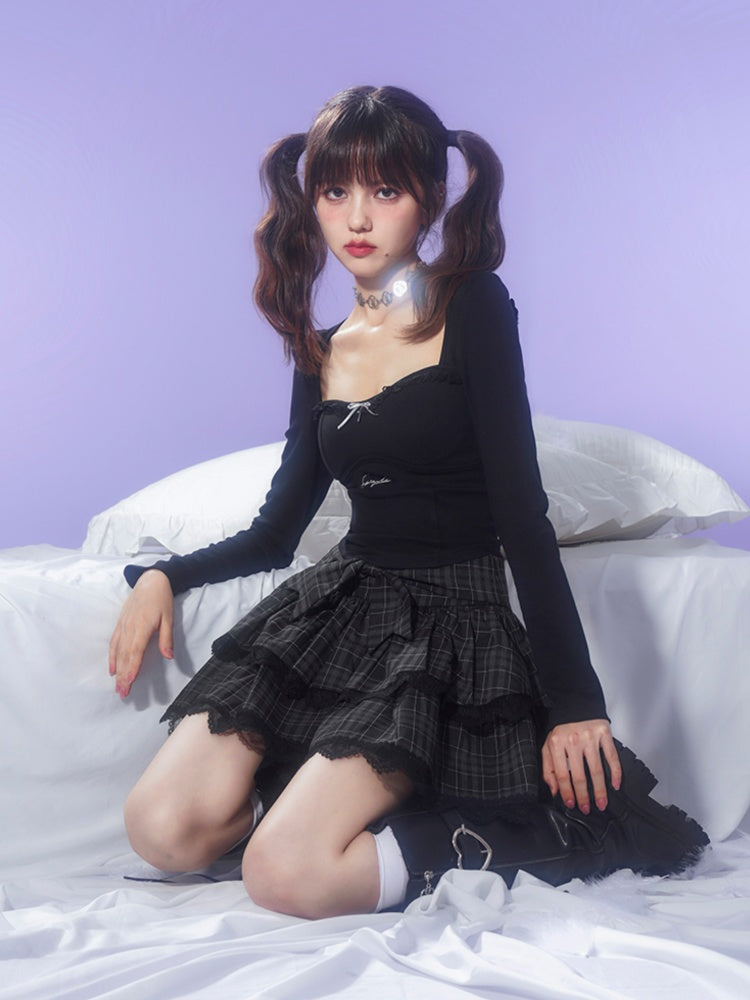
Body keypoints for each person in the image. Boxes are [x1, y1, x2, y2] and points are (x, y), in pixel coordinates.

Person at [109, 85, 707, 918]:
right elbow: (277, 530)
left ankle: (531, 836)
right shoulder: (321, 350)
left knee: (285, 877)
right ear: (311, 200)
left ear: (427, 199)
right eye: (334, 191)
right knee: (162, 829)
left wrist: (577, 705)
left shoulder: (473, 305)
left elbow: (522, 513)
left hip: (451, 621)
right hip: (344, 608)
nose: (356, 218)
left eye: (384, 191)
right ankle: (317, 813)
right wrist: (161, 575)